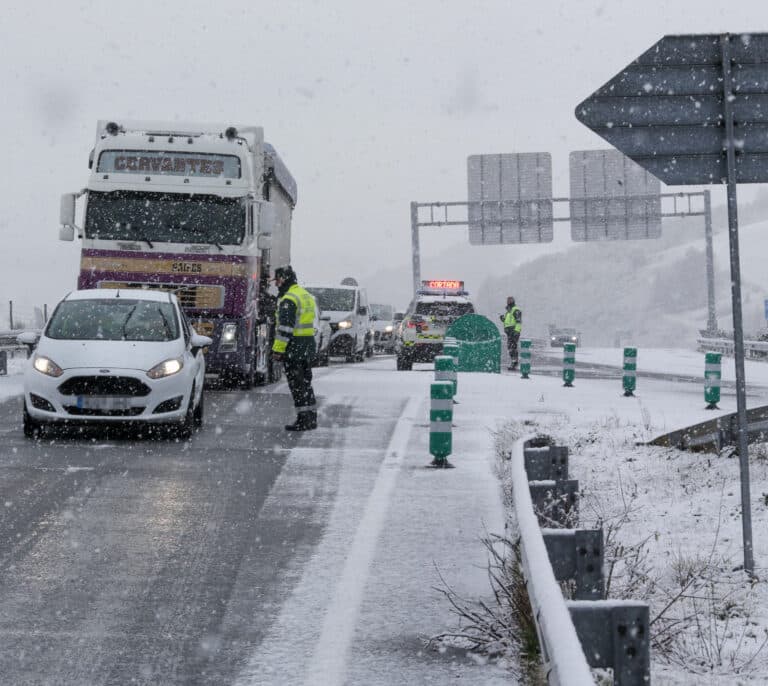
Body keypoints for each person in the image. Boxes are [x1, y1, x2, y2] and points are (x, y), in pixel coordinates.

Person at [272, 265, 318, 431]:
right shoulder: (305, 295)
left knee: (297, 386)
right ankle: (311, 418)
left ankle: (303, 419)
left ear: (283, 279)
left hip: (295, 348)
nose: (276, 284)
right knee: (306, 383)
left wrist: (278, 350)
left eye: (277, 280)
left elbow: (285, 329)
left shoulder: (289, 299)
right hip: (307, 346)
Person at [500, 296, 522, 371]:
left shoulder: (516, 310)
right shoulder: (508, 311)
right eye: (507, 300)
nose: (508, 301)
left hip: (514, 331)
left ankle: (514, 363)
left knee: (513, 347)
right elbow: (507, 321)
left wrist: (517, 331)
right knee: (510, 347)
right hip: (509, 332)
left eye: (510, 300)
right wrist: (503, 318)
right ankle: (513, 362)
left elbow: (518, 321)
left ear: (513, 301)